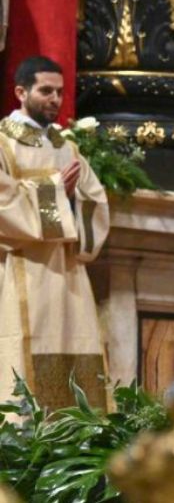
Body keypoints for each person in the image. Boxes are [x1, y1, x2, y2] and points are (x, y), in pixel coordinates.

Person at [0, 56, 109, 410]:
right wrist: (54, 192)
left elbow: (95, 199)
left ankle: (76, 448)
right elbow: (5, 206)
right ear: (21, 92)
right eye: (46, 91)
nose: (55, 100)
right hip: (22, 272)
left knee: (75, 351)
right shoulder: (3, 143)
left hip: (69, 276)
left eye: (60, 93)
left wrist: (75, 199)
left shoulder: (67, 146)